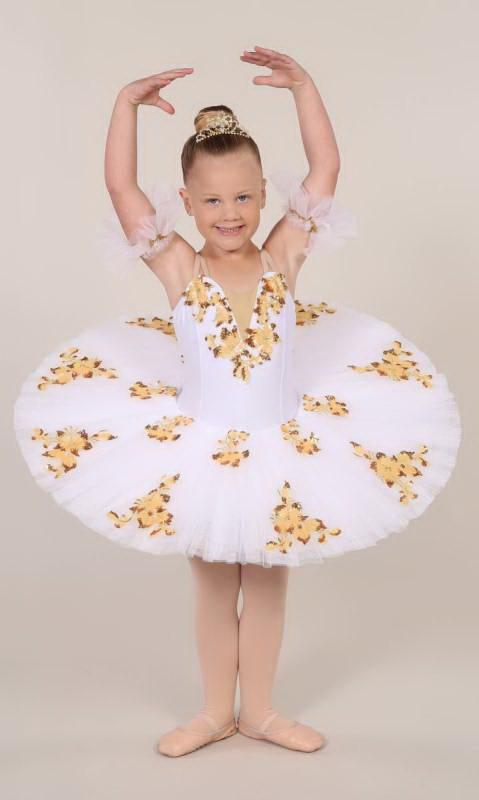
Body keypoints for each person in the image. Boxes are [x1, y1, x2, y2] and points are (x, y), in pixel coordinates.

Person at [13, 47, 461, 757]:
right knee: (216, 587)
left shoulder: (283, 255)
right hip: (203, 448)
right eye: (214, 201)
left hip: (282, 444)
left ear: (264, 196)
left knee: (270, 581)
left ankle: (262, 712)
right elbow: (119, 186)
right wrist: (124, 106)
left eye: (245, 197)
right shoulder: (179, 265)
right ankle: (213, 712)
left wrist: (305, 88)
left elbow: (325, 169)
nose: (230, 214)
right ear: (186, 203)